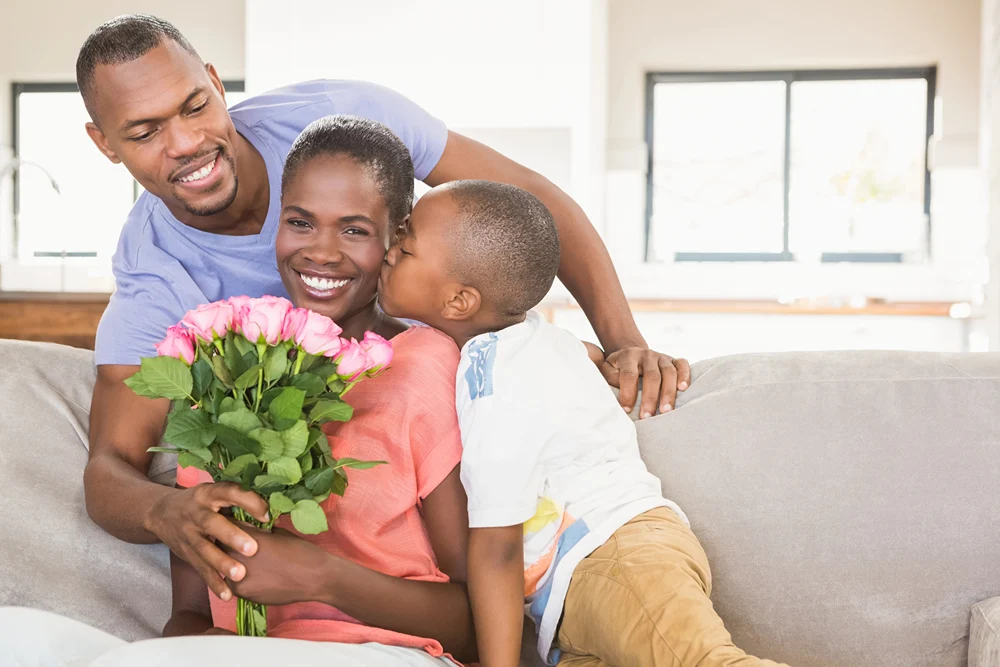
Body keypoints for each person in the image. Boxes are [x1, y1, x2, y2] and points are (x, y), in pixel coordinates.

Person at [77, 14, 690, 603]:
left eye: (194, 105)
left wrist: (622, 339)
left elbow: (531, 204)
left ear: (215, 80)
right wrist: (163, 511)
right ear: (104, 144)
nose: (186, 142)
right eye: (144, 131)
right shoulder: (154, 275)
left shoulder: (338, 118)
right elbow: (110, 467)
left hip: (459, 384)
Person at [0, 117, 476, 667]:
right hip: (240, 651)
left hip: (389, 652)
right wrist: (190, 639)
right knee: (15, 637)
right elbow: (189, 615)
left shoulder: (428, 365)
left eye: (354, 230)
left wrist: (320, 576)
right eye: (300, 222)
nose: (320, 252)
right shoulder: (226, 366)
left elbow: (477, 619)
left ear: (396, 239)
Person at [377, 180, 789, 667]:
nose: (387, 251)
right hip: (579, 599)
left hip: (612, 558)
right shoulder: (542, 340)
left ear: (460, 302)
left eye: (404, 248)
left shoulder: (490, 370)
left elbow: (496, 545)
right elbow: (588, 357)